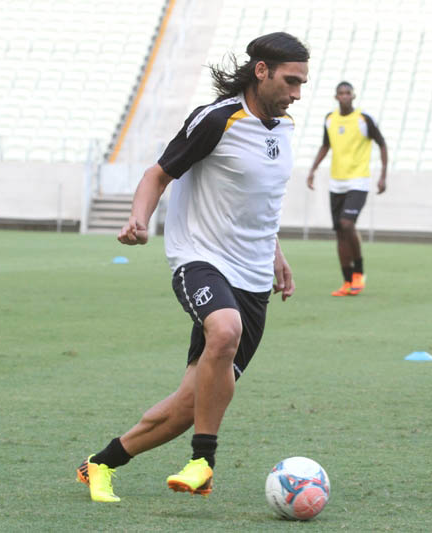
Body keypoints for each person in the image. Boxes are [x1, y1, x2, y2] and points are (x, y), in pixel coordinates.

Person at [75, 32, 309, 503]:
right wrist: (139, 219)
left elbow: (261, 204)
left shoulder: (283, 129)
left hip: (253, 274)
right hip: (200, 258)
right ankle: (204, 460)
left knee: (189, 403)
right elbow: (156, 175)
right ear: (261, 71)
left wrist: (277, 256)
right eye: (290, 80)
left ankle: (99, 465)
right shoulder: (216, 120)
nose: (297, 93)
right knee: (224, 331)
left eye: (303, 82)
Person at [306, 81, 388, 296]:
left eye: (347, 93)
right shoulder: (330, 119)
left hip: (358, 181)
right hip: (336, 182)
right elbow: (326, 145)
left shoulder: (363, 120)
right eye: (340, 93)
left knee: (347, 223)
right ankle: (347, 281)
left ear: (353, 96)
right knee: (340, 232)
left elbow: (382, 143)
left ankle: (359, 272)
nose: (344, 96)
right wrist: (313, 169)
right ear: (336, 97)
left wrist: (383, 176)